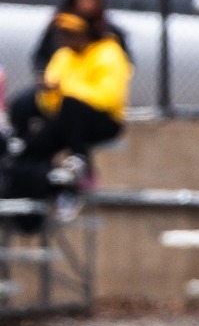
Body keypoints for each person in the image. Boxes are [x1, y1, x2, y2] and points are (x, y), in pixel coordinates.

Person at [5, 10, 132, 194]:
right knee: (31, 147)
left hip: (103, 120)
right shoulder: (63, 56)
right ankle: (43, 199)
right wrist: (50, 92)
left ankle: (81, 163)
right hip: (67, 120)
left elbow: (108, 98)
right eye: (62, 34)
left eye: (70, 34)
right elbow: (48, 103)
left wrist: (64, 88)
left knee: (71, 105)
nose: (64, 39)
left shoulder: (108, 53)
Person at [31, 0, 129, 72]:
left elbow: (124, 64)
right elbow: (41, 59)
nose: (90, 2)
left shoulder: (109, 32)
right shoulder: (59, 29)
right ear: (71, 1)